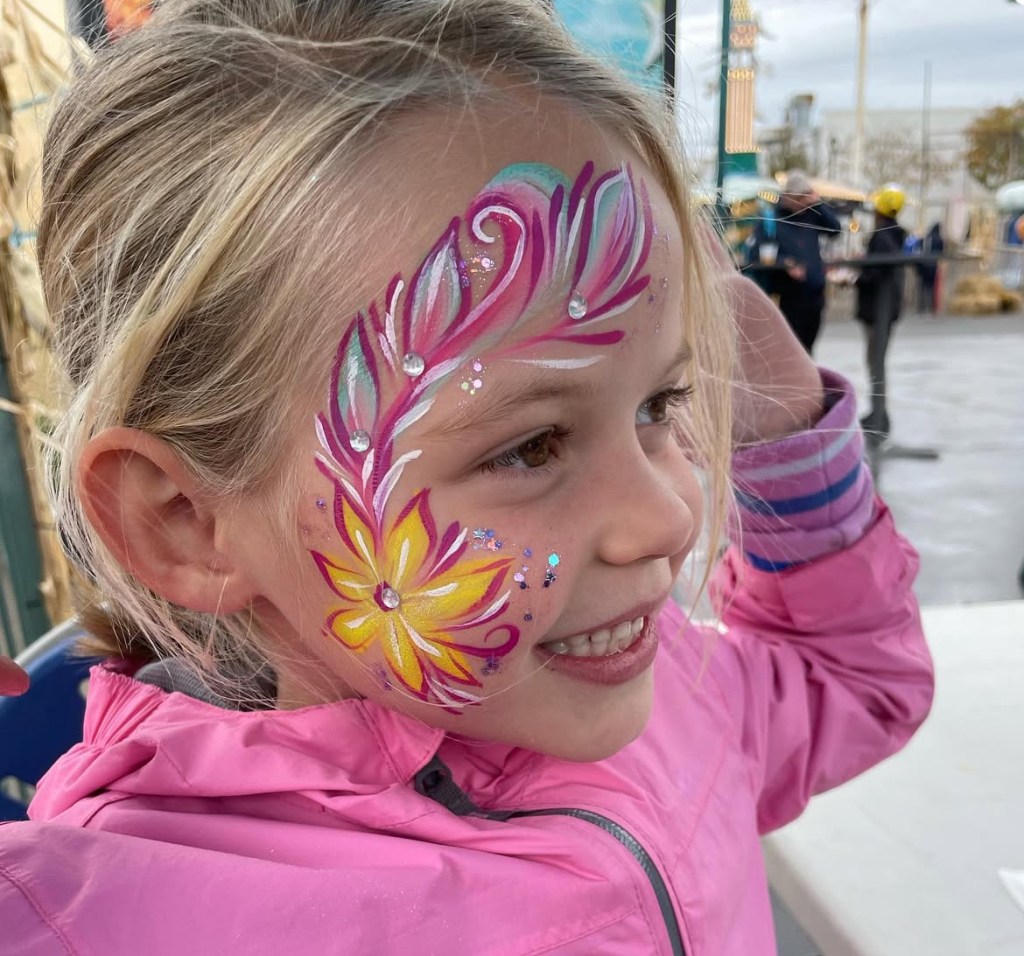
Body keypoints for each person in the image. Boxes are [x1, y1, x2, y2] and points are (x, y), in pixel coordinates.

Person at [0, 1, 933, 953]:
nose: (667, 517)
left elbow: (851, 682)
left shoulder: (666, 690)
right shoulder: (116, 916)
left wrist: (783, 425)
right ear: (187, 522)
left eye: (659, 405)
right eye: (528, 449)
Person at [750, 170, 842, 354]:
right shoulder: (772, 218)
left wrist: (818, 203)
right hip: (788, 294)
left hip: (814, 294)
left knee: (808, 347)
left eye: (805, 198)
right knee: (792, 349)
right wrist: (784, 263)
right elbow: (757, 252)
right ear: (788, 197)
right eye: (799, 198)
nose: (802, 203)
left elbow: (835, 230)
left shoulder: (812, 214)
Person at [856, 184, 909, 440]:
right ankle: (877, 412)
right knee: (875, 361)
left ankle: (879, 416)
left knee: (875, 362)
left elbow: (875, 274)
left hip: (878, 311)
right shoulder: (894, 235)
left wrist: (855, 278)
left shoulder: (882, 237)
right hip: (884, 310)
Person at [915, 222, 945, 314]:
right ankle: (931, 307)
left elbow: (918, 248)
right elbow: (941, 252)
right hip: (933, 264)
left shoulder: (925, 238)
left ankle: (921, 307)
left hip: (923, 264)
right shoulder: (939, 239)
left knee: (922, 286)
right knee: (931, 287)